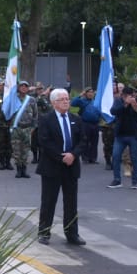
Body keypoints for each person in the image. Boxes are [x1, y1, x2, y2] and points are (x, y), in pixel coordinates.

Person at [35, 88, 87, 246]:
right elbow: (44, 141)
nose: (66, 102)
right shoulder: (46, 119)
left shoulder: (75, 119)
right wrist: (61, 157)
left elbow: (82, 140)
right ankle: (44, 232)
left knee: (71, 202)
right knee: (49, 201)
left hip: (71, 166)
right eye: (62, 99)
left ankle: (72, 233)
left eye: (67, 99)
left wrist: (73, 155)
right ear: (53, 103)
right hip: (52, 166)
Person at [109, 86, 137, 189]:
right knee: (116, 156)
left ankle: (135, 182)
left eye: (132, 96)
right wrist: (125, 104)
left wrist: (136, 109)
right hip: (120, 135)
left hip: (134, 135)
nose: (130, 98)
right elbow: (113, 111)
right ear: (123, 95)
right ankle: (117, 180)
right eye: (127, 96)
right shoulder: (118, 101)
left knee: (135, 158)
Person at [10, 80, 38, 179]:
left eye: (25, 86)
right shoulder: (13, 99)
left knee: (25, 150)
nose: (23, 88)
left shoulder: (31, 100)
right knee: (17, 150)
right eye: (21, 86)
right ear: (18, 88)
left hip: (27, 128)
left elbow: (35, 115)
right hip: (16, 127)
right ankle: (18, 170)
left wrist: (33, 127)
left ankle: (24, 170)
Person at [70, 87, 101, 164]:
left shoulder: (95, 102)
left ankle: (93, 158)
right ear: (85, 93)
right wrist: (80, 95)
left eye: (92, 92)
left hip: (95, 124)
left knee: (94, 141)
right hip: (85, 123)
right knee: (85, 140)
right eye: (89, 92)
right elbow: (73, 103)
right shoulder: (82, 101)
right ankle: (85, 157)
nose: (91, 94)